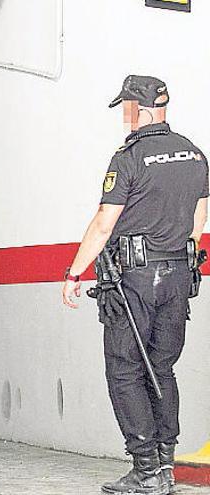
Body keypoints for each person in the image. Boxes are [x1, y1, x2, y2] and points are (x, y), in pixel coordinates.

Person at [62, 75, 208, 495]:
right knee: (161, 367)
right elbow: (198, 223)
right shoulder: (195, 154)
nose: (124, 114)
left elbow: (104, 223)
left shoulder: (128, 157)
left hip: (136, 280)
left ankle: (145, 472)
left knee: (125, 371)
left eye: (126, 106)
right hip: (178, 275)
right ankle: (165, 466)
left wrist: (74, 273)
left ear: (138, 108)